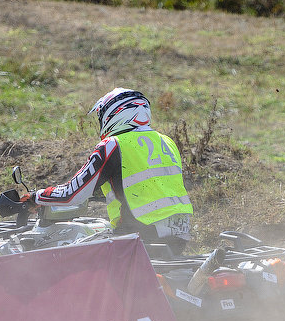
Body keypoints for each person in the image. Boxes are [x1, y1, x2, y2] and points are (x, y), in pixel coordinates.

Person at [17, 88, 194, 255]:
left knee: (72, 251)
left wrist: (36, 196)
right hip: (179, 235)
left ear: (115, 113)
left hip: (138, 235)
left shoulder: (112, 145)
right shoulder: (167, 142)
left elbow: (72, 194)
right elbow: (146, 186)